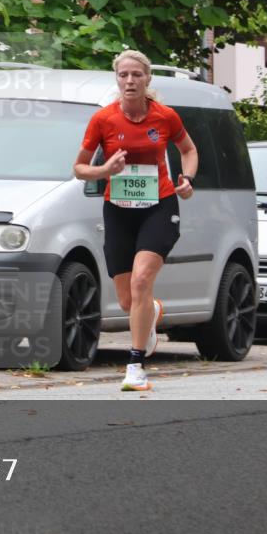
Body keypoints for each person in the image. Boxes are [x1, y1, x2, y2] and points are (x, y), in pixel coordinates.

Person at [72, 50, 198, 391]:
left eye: (136, 75)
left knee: (142, 281)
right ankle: (150, 312)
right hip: (119, 210)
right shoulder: (104, 119)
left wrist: (187, 179)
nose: (130, 81)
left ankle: (135, 365)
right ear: (117, 79)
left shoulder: (165, 116)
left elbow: (188, 149)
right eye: (123, 75)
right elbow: (79, 168)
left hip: (159, 205)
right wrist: (104, 170)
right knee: (129, 301)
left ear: (147, 79)